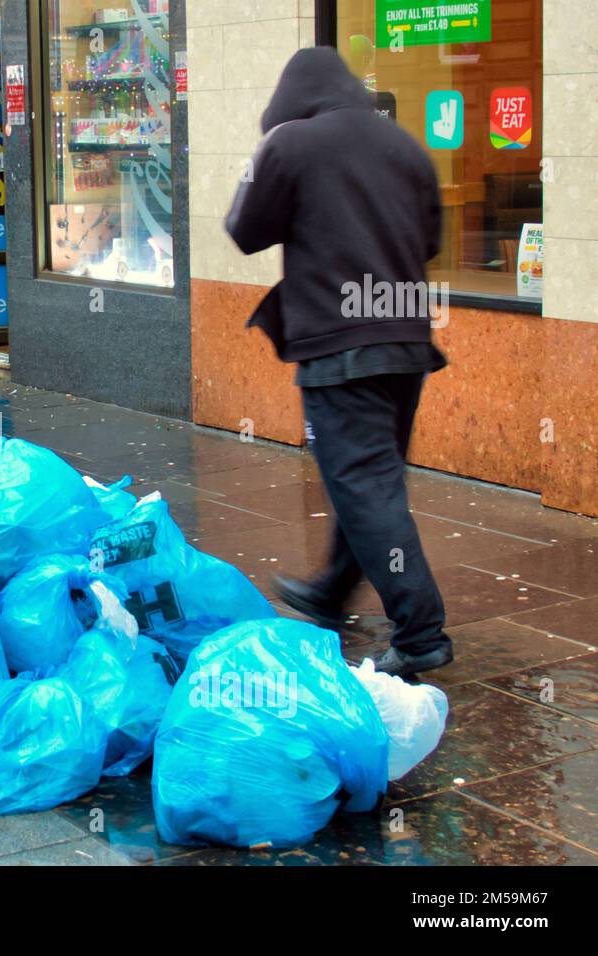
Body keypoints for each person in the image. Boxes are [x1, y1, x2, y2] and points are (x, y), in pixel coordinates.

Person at [224, 47, 453, 678]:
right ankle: (330, 589)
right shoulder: (405, 147)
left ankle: (420, 630)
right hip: (406, 342)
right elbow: (431, 240)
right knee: (371, 479)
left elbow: (244, 228)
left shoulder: (290, 144)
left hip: (339, 344)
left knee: (363, 483)